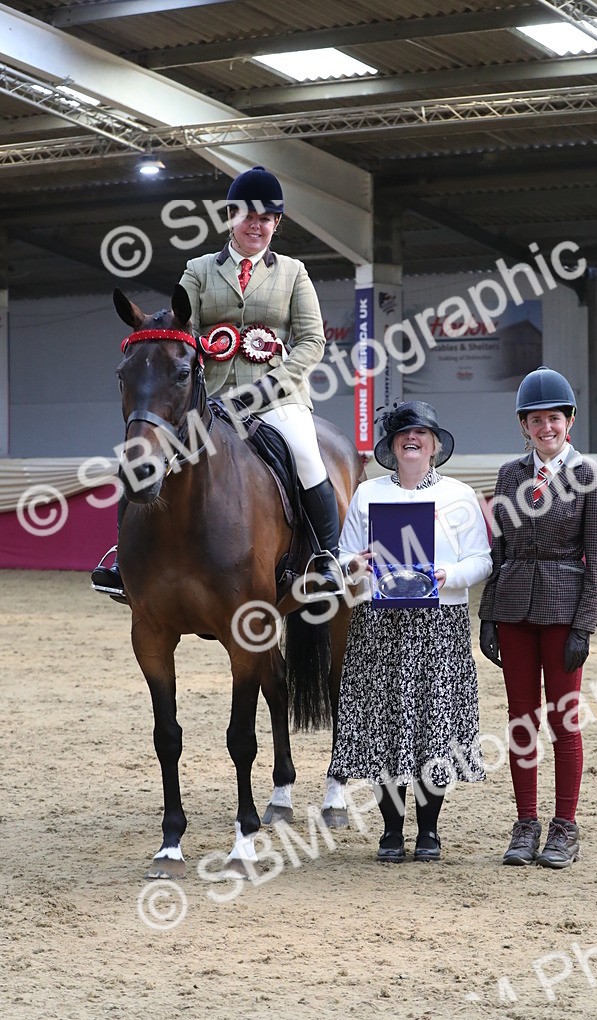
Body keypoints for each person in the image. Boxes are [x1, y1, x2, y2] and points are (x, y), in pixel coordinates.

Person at [92, 165, 341, 598]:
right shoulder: (200, 269)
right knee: (146, 452)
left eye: (265, 219)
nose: (256, 225)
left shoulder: (293, 273)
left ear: (276, 224)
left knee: (306, 454)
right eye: (247, 216)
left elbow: (312, 340)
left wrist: (275, 383)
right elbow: (180, 327)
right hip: (216, 396)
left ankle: (326, 558)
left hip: (276, 397)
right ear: (231, 218)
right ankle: (123, 557)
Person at [329, 401, 492, 863]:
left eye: (421, 433)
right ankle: (389, 832)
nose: (412, 439)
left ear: (435, 444)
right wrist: (356, 566)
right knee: (385, 724)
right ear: (392, 446)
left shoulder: (460, 495)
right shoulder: (367, 494)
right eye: (404, 434)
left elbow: (482, 560)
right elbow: (345, 560)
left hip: (439, 622)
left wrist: (448, 576)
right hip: (380, 623)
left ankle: (430, 831)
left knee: (433, 727)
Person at [478, 367, 597, 869]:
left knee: (564, 721)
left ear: (569, 421)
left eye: (553, 419)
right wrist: (489, 614)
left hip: (563, 606)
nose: (545, 428)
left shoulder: (590, 477)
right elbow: (499, 549)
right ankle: (526, 823)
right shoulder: (511, 475)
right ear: (524, 426)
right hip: (514, 607)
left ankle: (565, 827)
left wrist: (584, 626)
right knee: (521, 721)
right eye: (536, 421)